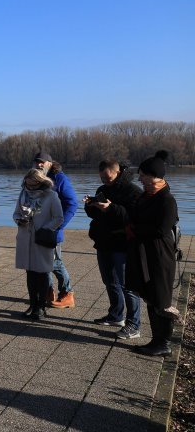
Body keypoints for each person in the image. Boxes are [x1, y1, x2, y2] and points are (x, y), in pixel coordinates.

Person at [126, 151, 179, 357]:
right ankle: (156, 340)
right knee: (150, 297)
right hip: (146, 254)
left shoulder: (167, 199)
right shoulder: (146, 196)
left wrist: (135, 230)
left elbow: (161, 229)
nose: (139, 179)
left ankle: (163, 343)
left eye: (142, 175)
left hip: (160, 256)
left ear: (154, 175)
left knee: (161, 300)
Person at [84, 160, 143, 339]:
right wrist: (91, 206)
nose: (105, 180)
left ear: (118, 172)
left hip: (122, 244)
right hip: (103, 241)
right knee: (109, 281)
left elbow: (132, 217)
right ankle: (116, 315)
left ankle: (134, 324)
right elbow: (97, 215)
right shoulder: (102, 189)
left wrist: (111, 208)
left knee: (127, 285)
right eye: (102, 177)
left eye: (108, 177)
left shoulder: (133, 191)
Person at [13, 169, 63, 320]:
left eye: (33, 185)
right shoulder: (23, 194)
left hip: (42, 239)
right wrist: (19, 220)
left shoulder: (51, 195)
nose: (30, 188)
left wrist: (44, 229)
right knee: (30, 273)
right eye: (28, 185)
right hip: (24, 238)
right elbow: (15, 213)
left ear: (41, 182)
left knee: (42, 273)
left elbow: (58, 218)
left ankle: (41, 307)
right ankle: (33, 304)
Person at [34, 152, 79, 308]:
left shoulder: (60, 179)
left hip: (52, 231)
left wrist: (58, 225)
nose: (39, 164)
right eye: (37, 162)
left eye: (42, 162)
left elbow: (73, 203)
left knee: (54, 263)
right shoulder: (39, 179)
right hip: (38, 230)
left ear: (50, 163)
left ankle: (67, 293)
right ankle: (49, 292)